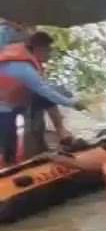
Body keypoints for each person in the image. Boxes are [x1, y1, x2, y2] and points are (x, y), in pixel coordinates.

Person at [0, 30, 84, 165]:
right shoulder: (25, 70)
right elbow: (46, 91)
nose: (50, 54)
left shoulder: (22, 55)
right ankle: (10, 168)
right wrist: (73, 104)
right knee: (9, 141)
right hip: (4, 107)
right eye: (48, 51)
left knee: (51, 93)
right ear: (38, 49)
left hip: (15, 100)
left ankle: (61, 133)